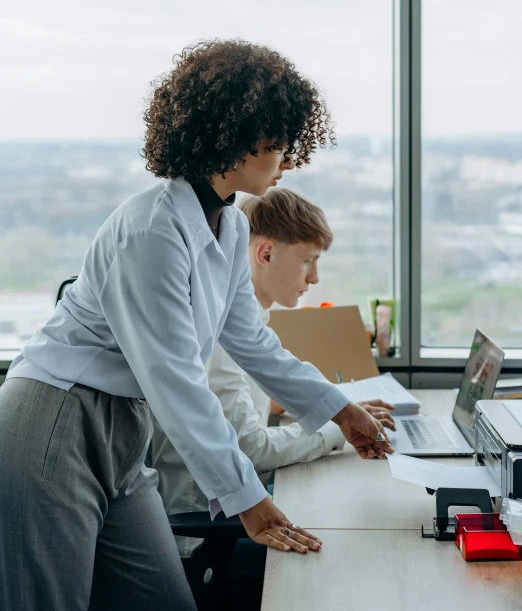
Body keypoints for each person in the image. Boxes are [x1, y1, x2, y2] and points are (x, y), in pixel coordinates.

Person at [0, 40, 393, 611]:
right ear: (233, 139)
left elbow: (253, 342)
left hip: (124, 431)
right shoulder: (151, 232)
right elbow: (178, 383)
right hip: (58, 422)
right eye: (277, 143)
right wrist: (248, 499)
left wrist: (339, 408)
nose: (288, 157)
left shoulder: (229, 228)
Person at [152, 187, 395, 604]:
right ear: (265, 254)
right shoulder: (224, 338)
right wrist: (336, 431)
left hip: (231, 513)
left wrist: (330, 408)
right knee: (343, 562)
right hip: (207, 537)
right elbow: (252, 448)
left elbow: (240, 403)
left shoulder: (248, 324)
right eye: (308, 261)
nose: (314, 278)